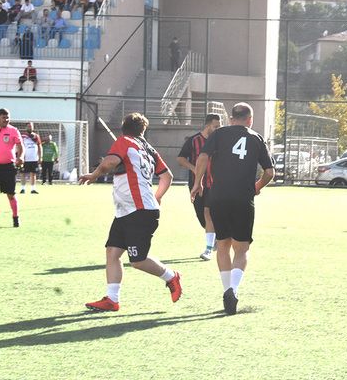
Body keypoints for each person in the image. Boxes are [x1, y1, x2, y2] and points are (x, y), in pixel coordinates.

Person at [79, 112, 181, 312]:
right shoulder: (149, 150)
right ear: (143, 131)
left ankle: (171, 276)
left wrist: (94, 174)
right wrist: (158, 196)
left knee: (138, 261)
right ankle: (112, 299)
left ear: (123, 128)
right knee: (112, 252)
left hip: (139, 211)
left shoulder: (124, 141)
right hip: (129, 211)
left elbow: (109, 163)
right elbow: (167, 176)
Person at [191, 103, 275, 315]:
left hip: (218, 196)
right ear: (250, 119)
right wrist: (257, 187)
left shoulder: (218, 134)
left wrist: (197, 183)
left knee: (222, 245)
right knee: (242, 248)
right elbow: (269, 172)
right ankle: (234, 290)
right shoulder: (256, 138)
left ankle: (226, 288)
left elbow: (203, 157)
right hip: (242, 198)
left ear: (231, 118)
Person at [176, 113, 222, 260]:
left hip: (214, 184)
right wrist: (194, 168)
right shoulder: (194, 140)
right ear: (208, 125)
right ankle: (214, 238)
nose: (218, 129)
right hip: (196, 184)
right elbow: (180, 158)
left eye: (219, 126)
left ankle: (208, 249)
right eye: (215, 126)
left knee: (208, 213)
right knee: (202, 216)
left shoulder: (220, 141)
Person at [19, 122, 42, 194]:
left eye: (31, 126)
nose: (30, 127)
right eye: (28, 126)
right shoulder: (22, 136)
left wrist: (40, 157)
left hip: (34, 159)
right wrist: (20, 156)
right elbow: (19, 146)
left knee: (33, 174)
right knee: (23, 174)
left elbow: (39, 146)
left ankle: (33, 189)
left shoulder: (36, 136)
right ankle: (23, 189)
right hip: (25, 159)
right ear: (26, 127)